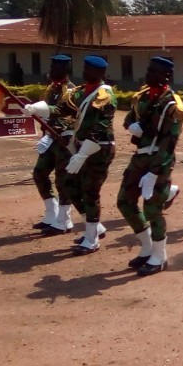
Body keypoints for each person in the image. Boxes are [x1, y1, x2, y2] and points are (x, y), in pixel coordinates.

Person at [119, 56, 183, 275]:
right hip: (140, 157)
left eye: (154, 71)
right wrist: (132, 126)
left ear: (166, 76)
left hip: (159, 159)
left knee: (152, 209)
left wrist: (155, 172)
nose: (148, 74)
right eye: (148, 69)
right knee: (124, 202)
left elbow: (170, 141)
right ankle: (147, 246)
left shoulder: (172, 104)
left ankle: (160, 255)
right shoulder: (142, 96)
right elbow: (128, 119)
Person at [58, 55, 117, 253]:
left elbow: (102, 128)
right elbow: (62, 110)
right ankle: (95, 228)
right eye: (84, 68)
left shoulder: (105, 96)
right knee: (70, 186)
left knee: (90, 192)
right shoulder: (81, 92)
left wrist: (82, 154)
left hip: (99, 149)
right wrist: (36, 110)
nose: (85, 72)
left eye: (89, 69)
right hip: (81, 147)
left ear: (100, 73)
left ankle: (92, 240)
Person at [24, 54, 75, 234]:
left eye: (55, 67)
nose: (51, 70)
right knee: (39, 173)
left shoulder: (71, 91)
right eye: (51, 66)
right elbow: (45, 111)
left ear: (65, 69)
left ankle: (64, 220)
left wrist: (40, 110)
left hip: (65, 140)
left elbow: (66, 113)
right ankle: (51, 213)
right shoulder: (49, 89)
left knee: (62, 180)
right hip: (50, 139)